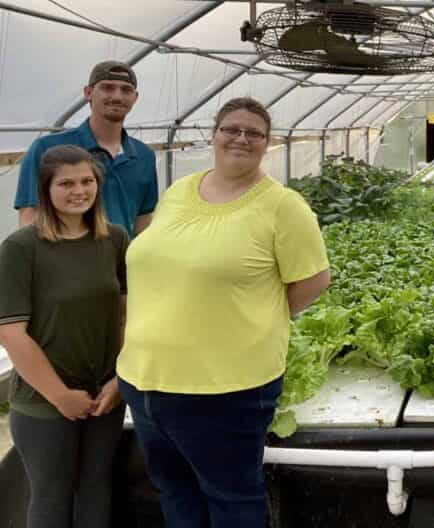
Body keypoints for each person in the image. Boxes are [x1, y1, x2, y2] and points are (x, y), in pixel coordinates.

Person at [115, 97, 330, 527]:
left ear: (267, 143)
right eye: (231, 128)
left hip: (224, 389)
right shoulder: (180, 191)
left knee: (231, 499)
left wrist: (253, 317)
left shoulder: (283, 206)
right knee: (175, 492)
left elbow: (313, 281)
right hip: (144, 379)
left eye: (254, 133)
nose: (241, 138)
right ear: (213, 135)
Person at [0, 145, 130, 528]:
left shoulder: (114, 239)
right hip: (44, 402)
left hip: (104, 396)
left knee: (96, 490)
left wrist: (119, 380)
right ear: (46, 189)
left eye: (87, 181)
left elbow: (127, 315)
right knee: (50, 499)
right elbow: (11, 332)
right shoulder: (22, 248)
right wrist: (60, 396)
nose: (79, 191)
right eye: (66, 183)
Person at [15, 60, 158, 237]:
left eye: (126, 90)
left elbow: (143, 221)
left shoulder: (144, 156)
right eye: (108, 88)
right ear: (88, 93)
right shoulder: (47, 148)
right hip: (64, 254)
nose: (117, 96)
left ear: (135, 98)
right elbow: (30, 218)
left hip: (122, 254)